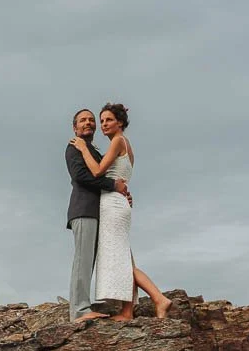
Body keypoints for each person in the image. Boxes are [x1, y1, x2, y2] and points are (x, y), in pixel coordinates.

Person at [70, 103, 172, 321]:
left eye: (107, 120)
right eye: (102, 120)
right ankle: (127, 311)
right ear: (74, 127)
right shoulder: (121, 145)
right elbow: (112, 177)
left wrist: (83, 147)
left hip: (113, 206)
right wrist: (119, 188)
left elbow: (96, 172)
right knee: (124, 257)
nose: (103, 124)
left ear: (120, 122)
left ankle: (158, 298)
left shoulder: (116, 142)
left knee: (122, 258)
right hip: (116, 203)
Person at [64, 108, 128, 322]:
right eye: (83, 120)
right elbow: (82, 176)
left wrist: (122, 192)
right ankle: (79, 311)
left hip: (96, 211)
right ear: (75, 127)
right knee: (82, 259)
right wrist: (113, 185)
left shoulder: (92, 150)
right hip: (83, 209)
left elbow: (107, 171)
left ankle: (84, 304)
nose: (88, 123)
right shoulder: (74, 147)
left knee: (89, 260)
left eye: (91, 120)